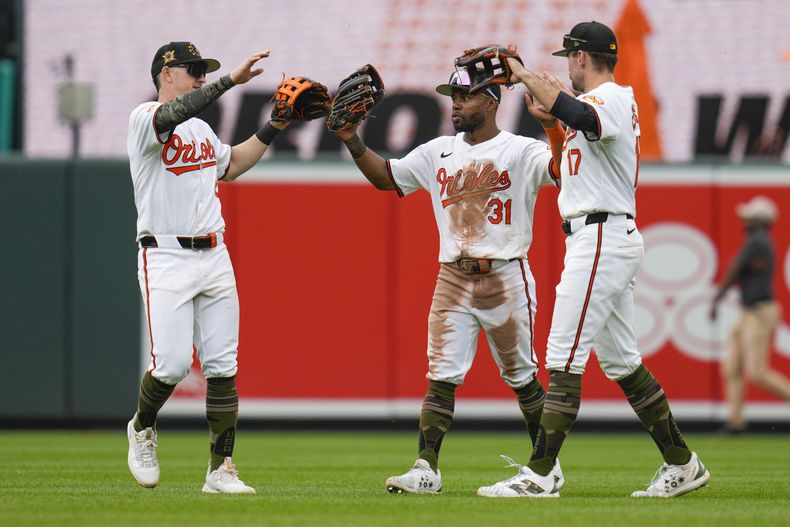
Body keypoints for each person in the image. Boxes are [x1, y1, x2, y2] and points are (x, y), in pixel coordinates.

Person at [477, 21, 710, 498]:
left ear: (581, 56)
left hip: (601, 235)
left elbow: (583, 115)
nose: (566, 66)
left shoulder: (615, 99)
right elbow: (565, 170)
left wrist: (522, 73)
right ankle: (683, 463)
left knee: (563, 354)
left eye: (569, 57)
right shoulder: (595, 109)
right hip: (596, 233)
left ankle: (540, 475)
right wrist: (548, 125)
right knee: (623, 362)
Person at [332, 67, 566, 494]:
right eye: (453, 94)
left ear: (492, 102)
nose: (455, 102)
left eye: (466, 95)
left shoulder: (518, 149)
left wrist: (552, 127)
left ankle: (544, 467)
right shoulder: (438, 150)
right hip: (452, 277)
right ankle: (426, 468)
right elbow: (388, 177)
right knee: (441, 374)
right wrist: (352, 139)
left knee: (522, 376)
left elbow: (562, 170)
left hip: (505, 273)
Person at [126, 41, 289, 493]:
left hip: (214, 253)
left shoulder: (199, 129)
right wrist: (231, 81)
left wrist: (275, 125)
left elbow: (232, 164)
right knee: (173, 365)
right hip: (164, 254)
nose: (200, 76)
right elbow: (167, 117)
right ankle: (142, 426)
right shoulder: (144, 120)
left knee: (222, 366)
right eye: (192, 69)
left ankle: (221, 470)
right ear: (165, 74)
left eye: (205, 70)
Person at [711, 196, 789, 432]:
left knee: (757, 372)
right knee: (731, 368)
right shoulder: (758, 240)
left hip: (760, 311)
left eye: (749, 217)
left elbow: (736, 268)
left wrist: (718, 298)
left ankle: (736, 420)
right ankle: (735, 422)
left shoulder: (758, 241)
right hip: (748, 311)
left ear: (760, 220)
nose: (744, 220)